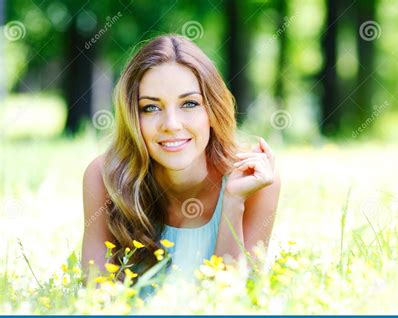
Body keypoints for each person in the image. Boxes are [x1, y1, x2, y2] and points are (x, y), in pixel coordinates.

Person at [81, 34, 280, 282]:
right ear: (133, 116)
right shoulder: (104, 177)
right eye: (151, 107)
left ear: (212, 109)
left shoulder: (252, 177)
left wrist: (233, 201)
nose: (172, 125)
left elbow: (237, 303)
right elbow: (94, 299)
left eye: (189, 104)